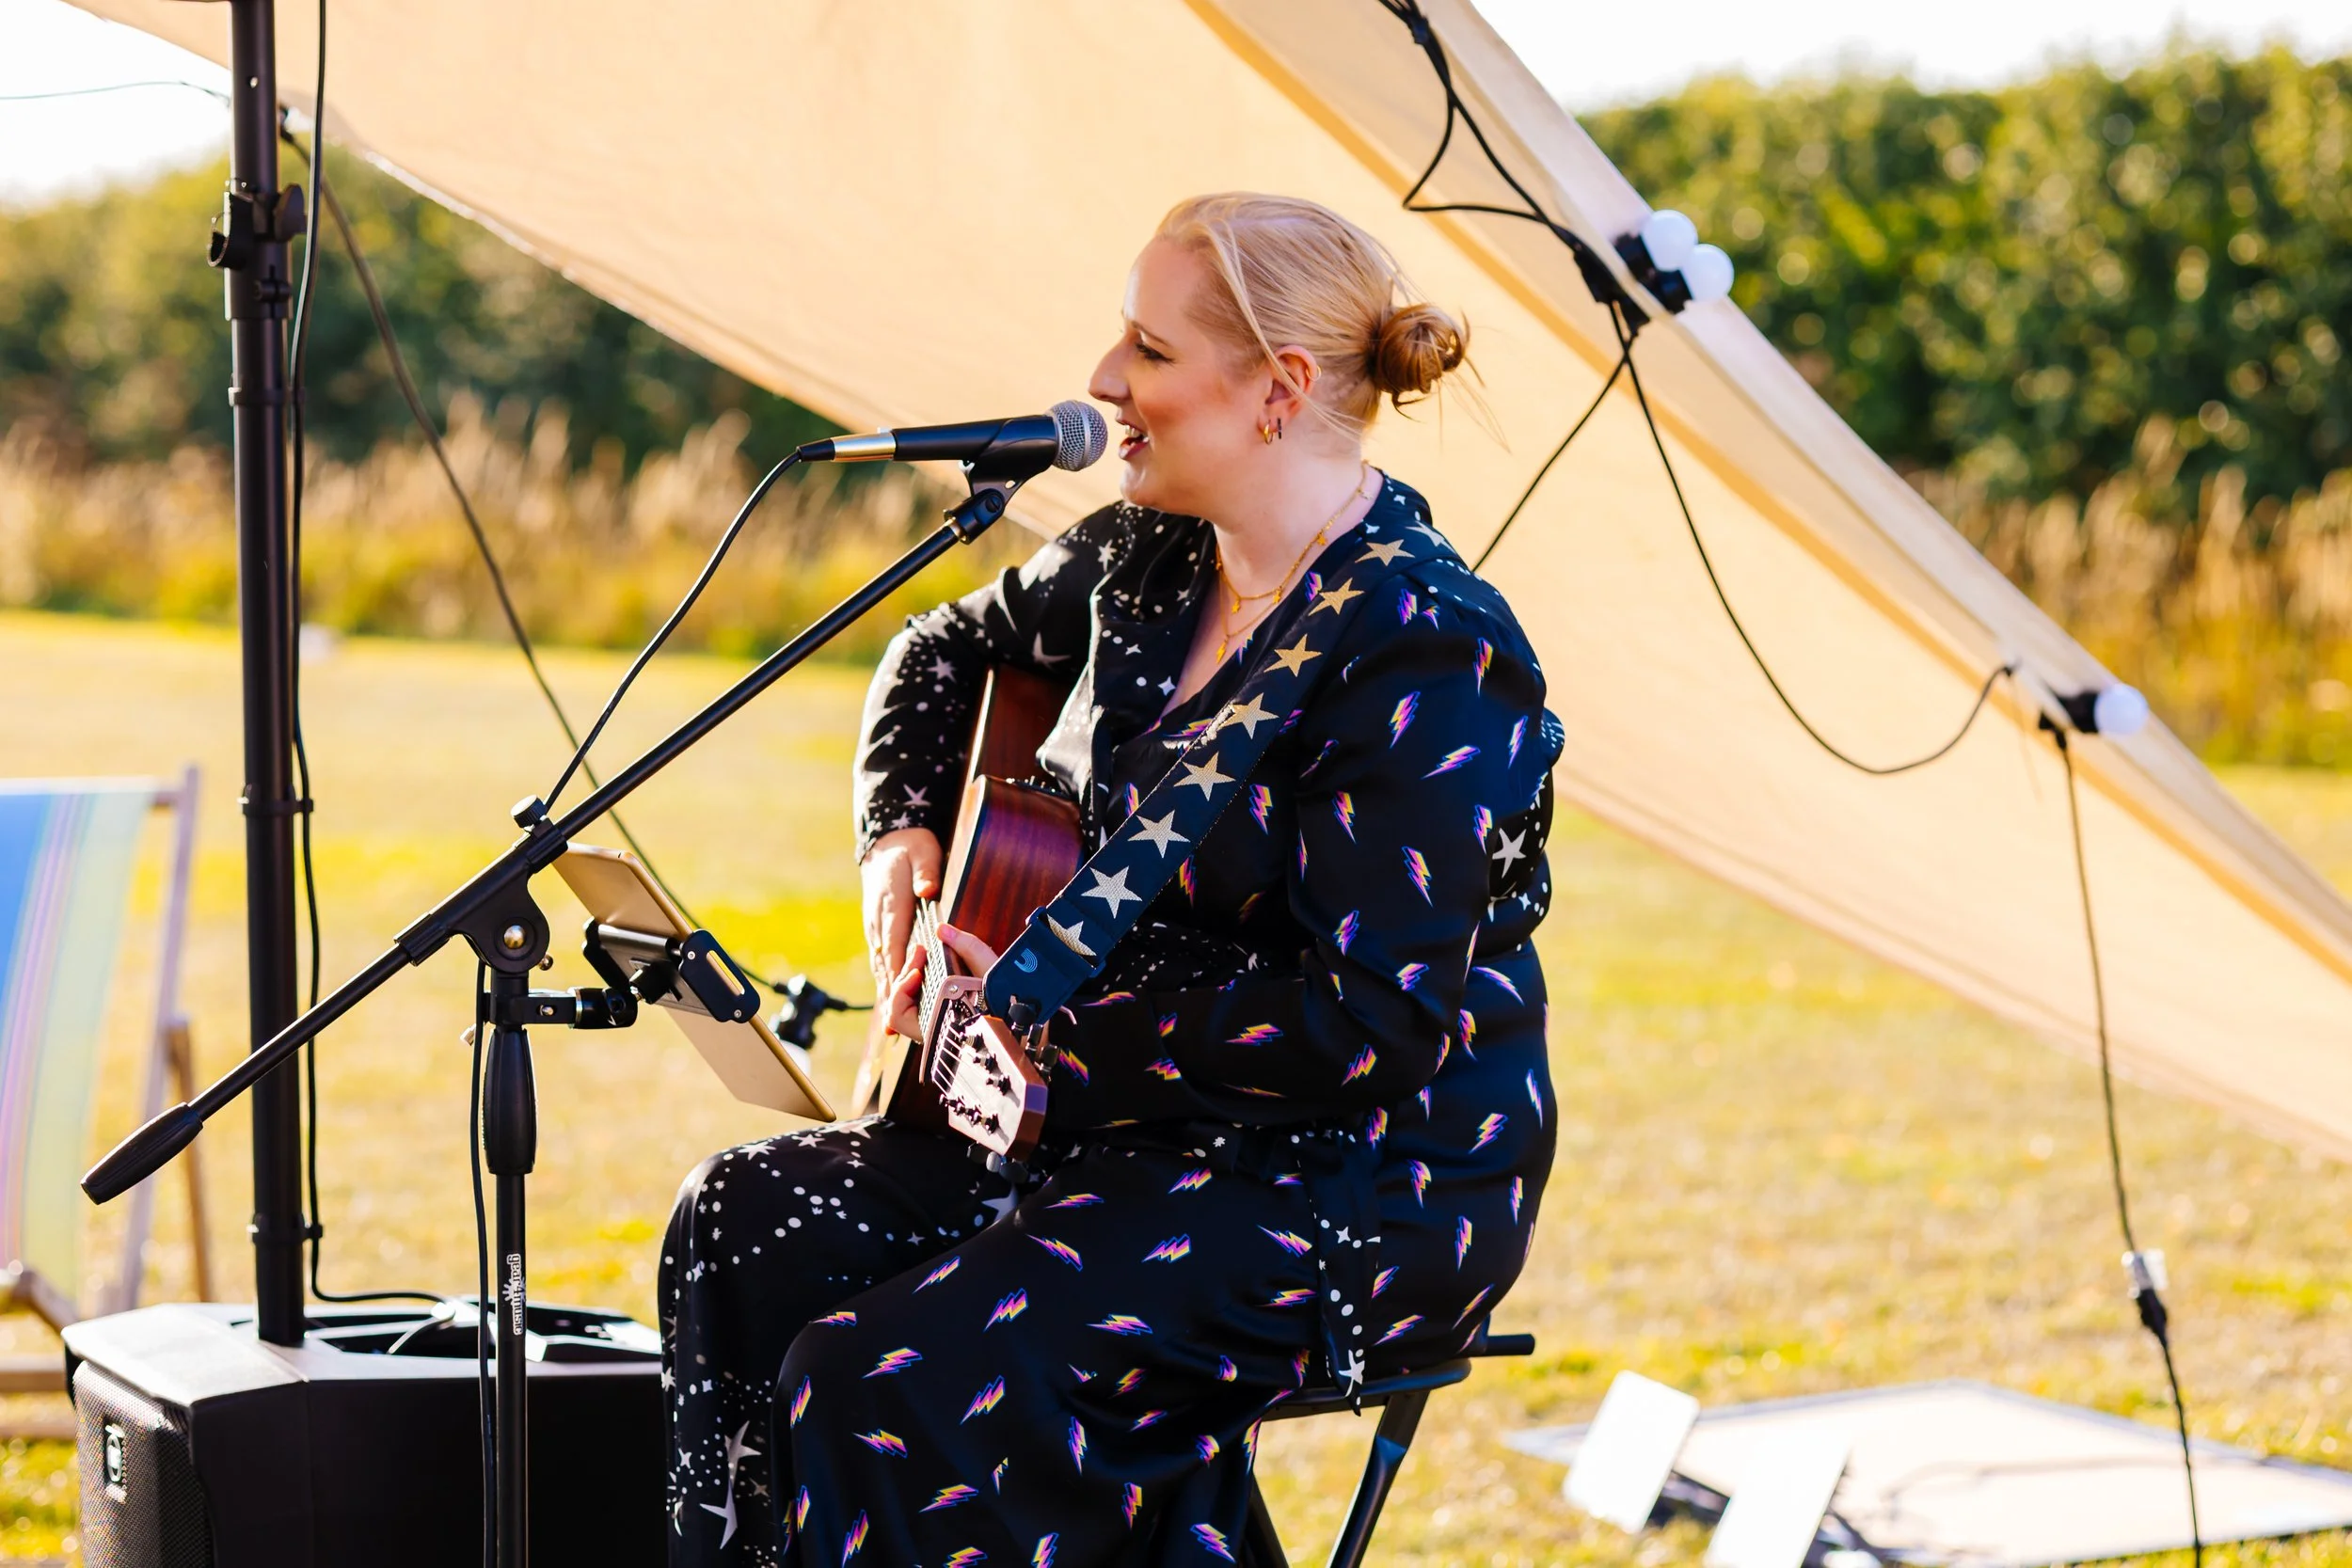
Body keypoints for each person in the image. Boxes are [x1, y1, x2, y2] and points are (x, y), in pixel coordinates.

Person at [660, 192, 1563, 1568]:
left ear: (1281, 390)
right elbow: (937, 650)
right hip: (1093, 1123)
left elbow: (1371, 1020)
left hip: (1343, 1179)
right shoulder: (1141, 560)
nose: (1100, 380)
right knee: (744, 1222)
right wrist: (900, 837)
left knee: (886, 1381)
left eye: (1146, 347)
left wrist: (1059, 1055)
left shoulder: (1428, 647)